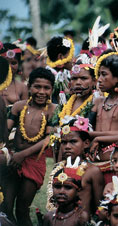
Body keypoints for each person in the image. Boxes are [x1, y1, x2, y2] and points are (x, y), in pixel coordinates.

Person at [3, 67, 56, 225]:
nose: (41, 91)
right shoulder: (19, 106)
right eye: (37, 86)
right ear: (29, 87)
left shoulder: (52, 110)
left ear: (52, 89)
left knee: (22, 209)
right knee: (5, 207)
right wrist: (10, 151)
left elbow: (47, 140)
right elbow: (6, 128)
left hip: (34, 161)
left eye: (46, 88)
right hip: (14, 158)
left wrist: (23, 155)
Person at [89, 50, 118, 183]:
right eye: (99, 75)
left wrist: (98, 138)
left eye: (104, 75)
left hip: (114, 165)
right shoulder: (97, 103)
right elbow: (85, 130)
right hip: (93, 163)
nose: (99, 79)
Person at [47, 117, 105, 216]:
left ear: (86, 143)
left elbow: (99, 209)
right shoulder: (58, 168)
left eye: (73, 142)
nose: (67, 146)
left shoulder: (92, 171)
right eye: (64, 143)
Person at [43, 159, 89, 226]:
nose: (61, 191)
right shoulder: (48, 217)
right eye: (58, 187)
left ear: (78, 191)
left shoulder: (81, 218)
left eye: (68, 187)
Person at [55, 55, 97, 127]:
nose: (78, 82)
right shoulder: (65, 101)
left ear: (94, 81)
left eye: (83, 78)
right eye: (74, 78)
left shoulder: (97, 102)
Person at [46, 36, 74, 104]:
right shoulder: (49, 77)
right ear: (61, 57)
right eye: (71, 54)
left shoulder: (66, 73)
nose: (73, 59)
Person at [0, 42, 28, 107]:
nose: (9, 67)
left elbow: (25, 111)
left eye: (13, 63)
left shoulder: (22, 87)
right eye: (5, 62)